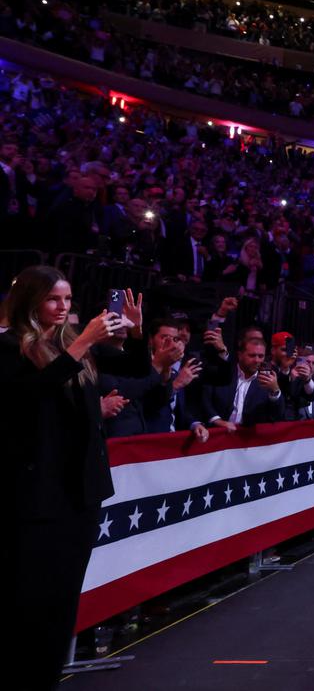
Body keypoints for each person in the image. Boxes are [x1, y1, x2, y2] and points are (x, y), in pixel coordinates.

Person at [2, 268, 149, 691]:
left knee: (63, 597)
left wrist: (134, 335)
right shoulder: (10, 346)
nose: (63, 308)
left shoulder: (72, 347)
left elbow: (136, 376)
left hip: (79, 493)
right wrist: (83, 340)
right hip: (34, 494)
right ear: (30, 301)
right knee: (29, 597)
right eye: (53, 300)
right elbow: (30, 395)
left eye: (67, 300)